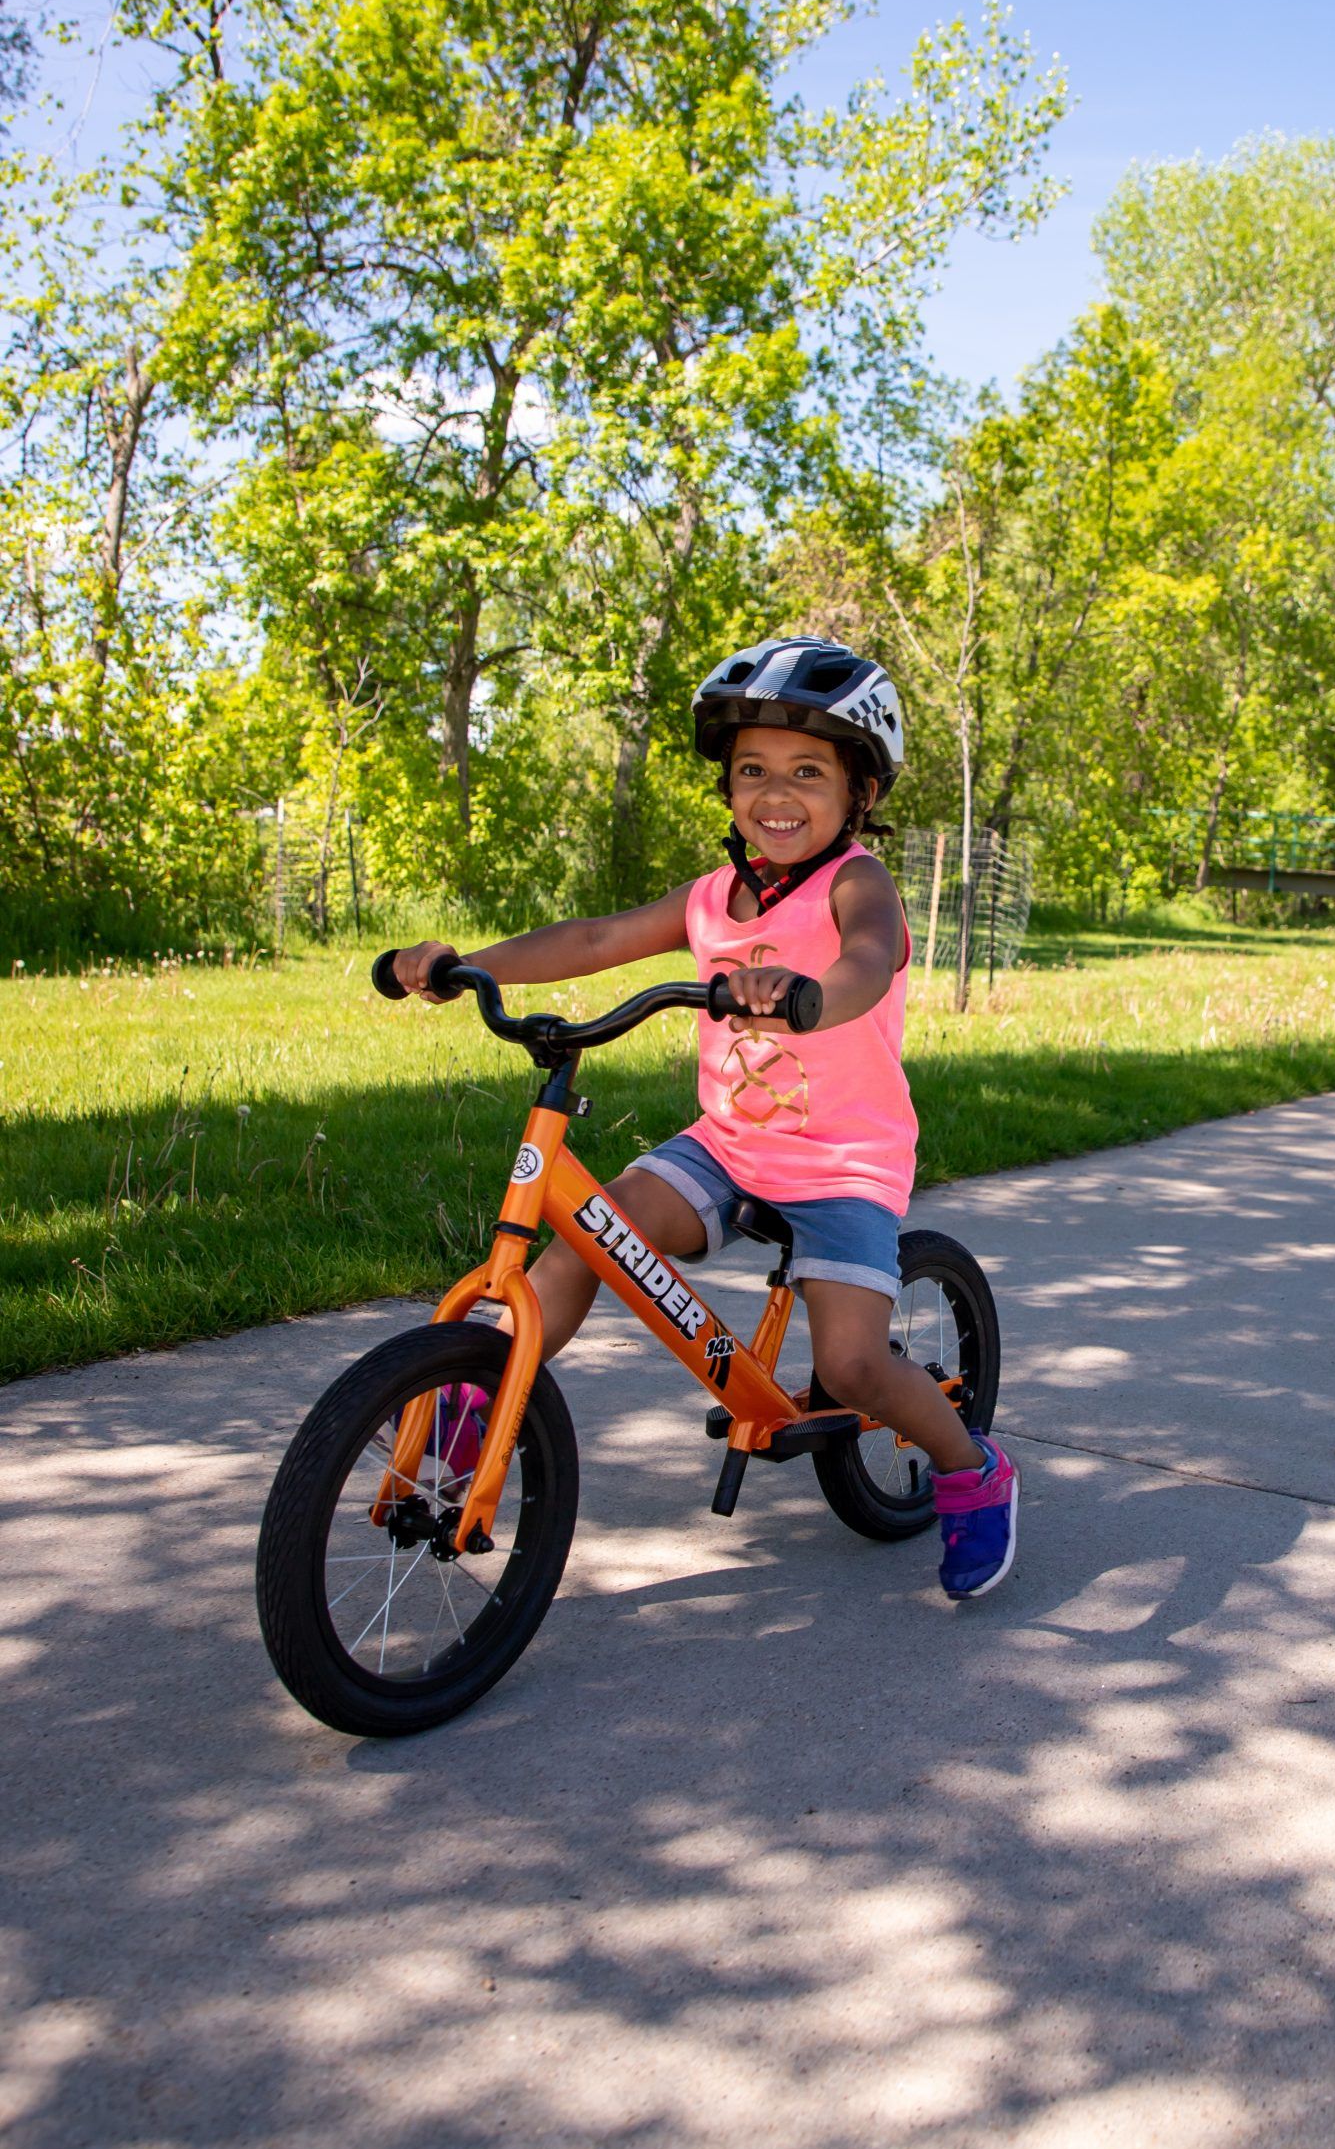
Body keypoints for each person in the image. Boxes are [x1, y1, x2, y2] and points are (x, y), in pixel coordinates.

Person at [391, 635, 1019, 1599]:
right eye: (752, 771)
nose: (776, 792)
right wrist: (470, 963)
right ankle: (481, 1396)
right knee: (584, 1239)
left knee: (850, 1366)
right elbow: (597, 938)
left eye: (808, 771)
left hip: (842, 1162)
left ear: (861, 794)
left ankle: (972, 1471)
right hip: (727, 1146)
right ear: (727, 789)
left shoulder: (857, 882)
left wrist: (806, 990)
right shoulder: (709, 897)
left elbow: (867, 958)